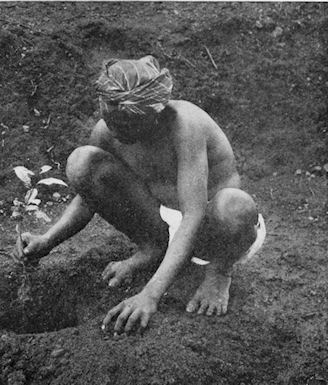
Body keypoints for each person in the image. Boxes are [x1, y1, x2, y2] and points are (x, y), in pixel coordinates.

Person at [18, 55, 266, 335]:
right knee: (82, 162)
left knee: (235, 206)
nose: (116, 132)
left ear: (154, 113)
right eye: (110, 122)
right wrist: (47, 240)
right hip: (162, 219)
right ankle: (153, 249)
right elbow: (89, 195)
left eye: (127, 125)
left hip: (215, 229)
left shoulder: (185, 126)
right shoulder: (108, 130)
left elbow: (194, 214)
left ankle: (220, 271)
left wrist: (150, 295)